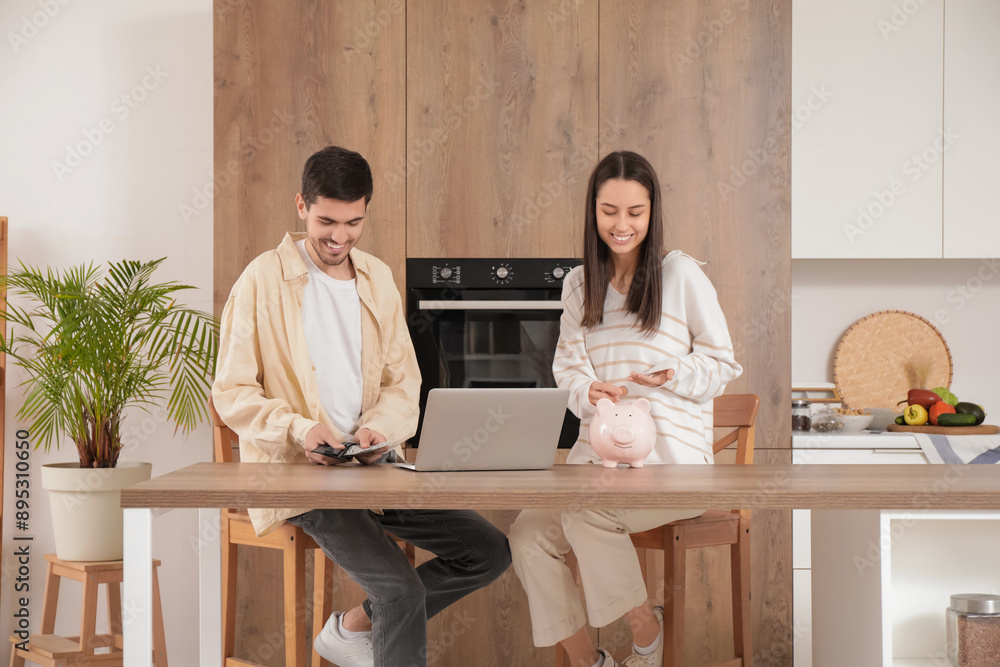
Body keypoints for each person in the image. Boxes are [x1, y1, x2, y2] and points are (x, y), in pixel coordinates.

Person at [212, 145, 511, 667]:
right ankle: (362, 632)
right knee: (402, 592)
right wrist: (300, 430)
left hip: (375, 469)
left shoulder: (376, 277)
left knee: (488, 552)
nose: (339, 237)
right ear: (301, 205)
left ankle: (351, 630)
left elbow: (404, 382)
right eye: (327, 220)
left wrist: (380, 432)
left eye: (354, 222)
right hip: (299, 475)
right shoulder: (261, 279)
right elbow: (231, 392)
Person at [509, 151, 743, 667]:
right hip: (597, 467)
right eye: (609, 210)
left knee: (584, 510)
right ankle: (590, 661)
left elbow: (723, 364)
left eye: (635, 212)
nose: (622, 224)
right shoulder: (578, 285)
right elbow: (567, 370)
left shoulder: (680, 274)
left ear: (652, 213)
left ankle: (642, 628)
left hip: (674, 471)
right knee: (527, 533)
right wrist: (587, 391)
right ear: (593, 212)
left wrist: (673, 373)